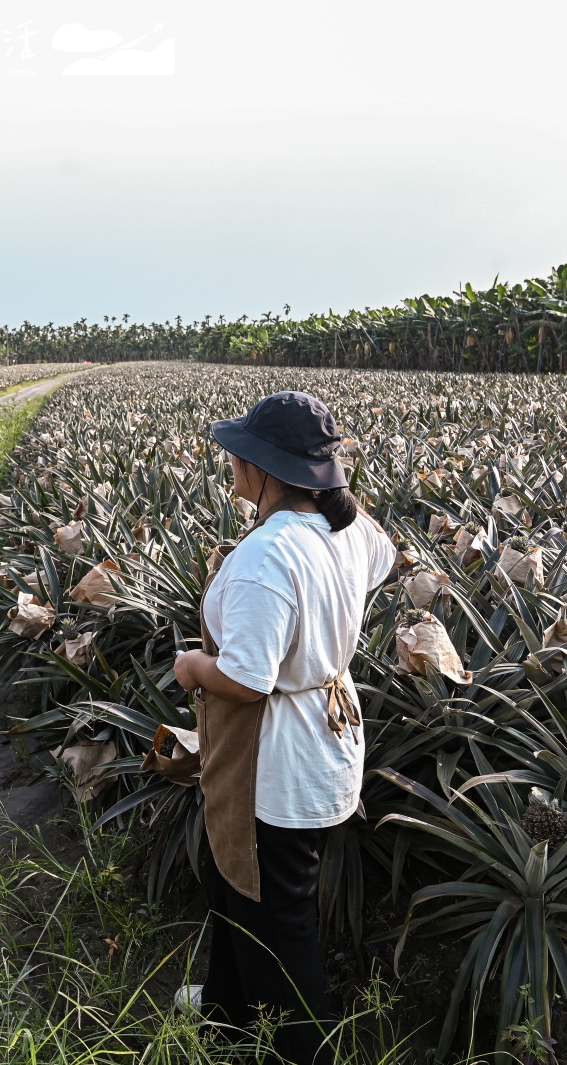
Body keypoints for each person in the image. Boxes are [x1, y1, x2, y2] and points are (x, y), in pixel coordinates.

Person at [171, 392, 394, 1064]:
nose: (233, 461)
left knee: (279, 920)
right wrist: (335, 495)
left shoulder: (267, 557)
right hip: (328, 733)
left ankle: (302, 1050)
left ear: (265, 469)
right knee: (234, 881)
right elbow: (385, 557)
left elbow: (247, 677)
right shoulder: (348, 529)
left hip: (279, 759)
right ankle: (226, 1012)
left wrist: (191, 666)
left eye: (244, 454)